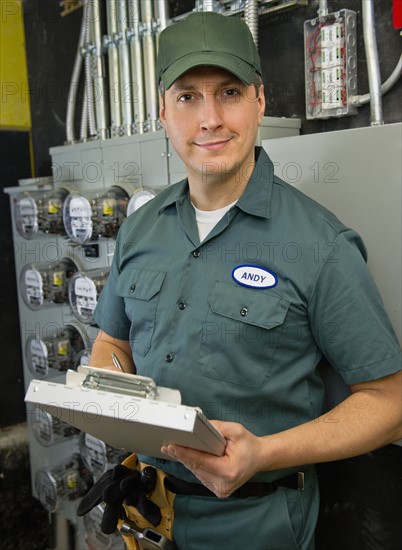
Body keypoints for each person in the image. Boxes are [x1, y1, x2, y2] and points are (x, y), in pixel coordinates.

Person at [89, 11, 402, 550]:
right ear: (162, 111)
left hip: (256, 524)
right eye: (187, 96)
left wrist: (265, 453)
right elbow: (112, 342)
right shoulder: (140, 228)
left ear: (260, 100)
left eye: (229, 92)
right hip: (147, 512)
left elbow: (390, 404)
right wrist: (110, 399)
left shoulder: (319, 245)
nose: (209, 119)